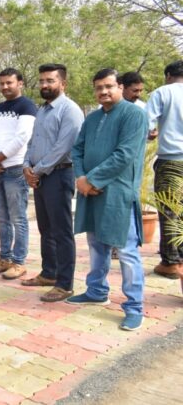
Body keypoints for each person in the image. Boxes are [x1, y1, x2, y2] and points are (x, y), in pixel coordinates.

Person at [67, 68, 149, 332]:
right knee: (96, 244)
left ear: (120, 87)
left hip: (118, 193)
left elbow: (124, 155)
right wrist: (81, 178)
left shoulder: (134, 115)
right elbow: (77, 149)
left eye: (108, 86)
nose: (103, 91)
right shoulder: (92, 119)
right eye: (98, 87)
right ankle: (96, 291)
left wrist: (91, 180)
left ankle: (134, 307)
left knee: (125, 251)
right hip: (91, 191)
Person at [22, 64, 84, 302]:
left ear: (63, 84)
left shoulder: (70, 110)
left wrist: (36, 171)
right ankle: (49, 273)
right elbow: (32, 142)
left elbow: (63, 148)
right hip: (40, 176)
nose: (45, 85)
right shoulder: (43, 110)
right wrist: (27, 165)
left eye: (50, 80)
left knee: (61, 231)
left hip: (58, 175)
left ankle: (65, 283)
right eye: (42, 81)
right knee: (45, 228)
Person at [0, 68, 37, 280]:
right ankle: (4, 258)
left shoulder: (27, 106)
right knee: (2, 218)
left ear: (20, 83)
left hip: (14, 169)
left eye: (9, 83)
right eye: (2, 83)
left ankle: (19, 261)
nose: (5, 87)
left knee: (18, 218)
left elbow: (22, 137)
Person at [146, 60, 183, 279]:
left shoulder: (163, 93)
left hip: (171, 160)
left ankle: (170, 262)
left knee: (170, 210)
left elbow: (146, 124)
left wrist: (151, 134)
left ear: (168, 75)